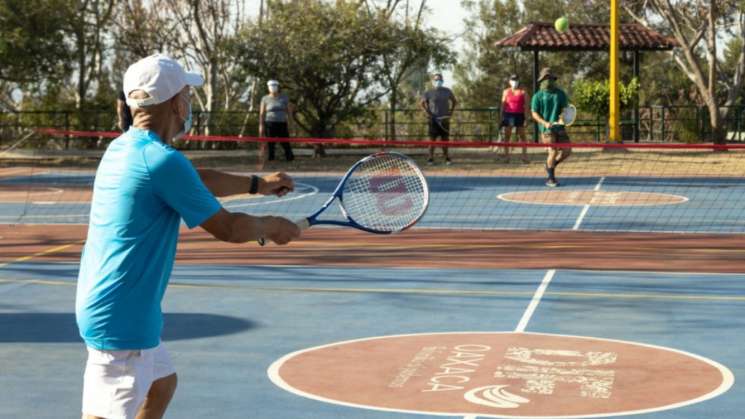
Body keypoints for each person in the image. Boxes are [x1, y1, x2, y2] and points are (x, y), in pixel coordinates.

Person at [76, 54, 301, 419]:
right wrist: (272, 227)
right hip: (123, 319)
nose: (189, 104)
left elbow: (194, 178)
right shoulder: (161, 161)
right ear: (175, 102)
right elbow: (227, 228)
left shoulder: (125, 148)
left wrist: (259, 185)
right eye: (187, 95)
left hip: (112, 306)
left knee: (161, 384)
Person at [531, 68, 571, 187]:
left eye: (550, 78)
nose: (548, 80)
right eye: (546, 78)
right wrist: (544, 123)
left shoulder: (560, 94)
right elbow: (534, 113)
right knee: (553, 151)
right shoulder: (537, 96)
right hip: (546, 129)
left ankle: (550, 166)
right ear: (541, 80)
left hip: (560, 127)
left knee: (567, 151)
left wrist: (561, 119)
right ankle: (551, 178)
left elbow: (565, 110)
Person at [420, 73, 457, 165]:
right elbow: (421, 103)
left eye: (439, 80)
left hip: (444, 120)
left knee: (445, 140)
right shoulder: (428, 92)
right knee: (432, 140)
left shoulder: (447, 91)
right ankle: (430, 158)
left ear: (442, 81)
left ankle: (447, 158)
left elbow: (454, 101)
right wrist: (427, 113)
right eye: (436, 80)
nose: (438, 81)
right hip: (433, 120)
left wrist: (450, 113)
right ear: (433, 81)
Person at [259, 80, 294, 162]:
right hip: (270, 123)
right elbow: (262, 113)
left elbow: (289, 112)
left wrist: (291, 124)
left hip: (282, 123)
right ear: (268, 87)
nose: (273, 87)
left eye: (275, 85)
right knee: (270, 143)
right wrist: (261, 126)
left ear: (278, 87)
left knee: (285, 141)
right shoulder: (265, 99)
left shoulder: (284, 98)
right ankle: (271, 158)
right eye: (271, 86)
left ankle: (289, 158)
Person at [499, 74, 530, 163]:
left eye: (516, 80)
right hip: (509, 115)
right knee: (507, 136)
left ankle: (524, 157)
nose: (514, 82)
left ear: (519, 81)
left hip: (520, 115)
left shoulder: (523, 92)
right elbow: (503, 105)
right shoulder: (506, 91)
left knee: (522, 136)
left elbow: (527, 106)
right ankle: (506, 157)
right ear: (509, 81)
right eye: (513, 80)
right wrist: (501, 117)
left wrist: (526, 118)